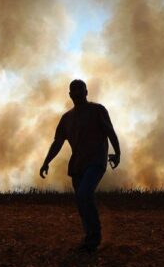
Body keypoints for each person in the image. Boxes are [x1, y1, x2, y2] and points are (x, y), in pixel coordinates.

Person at [40, 79, 121, 253]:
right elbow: (57, 142)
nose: (77, 93)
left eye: (80, 89)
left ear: (86, 92)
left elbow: (110, 131)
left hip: (96, 161)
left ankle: (94, 237)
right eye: (73, 90)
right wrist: (46, 161)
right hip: (77, 165)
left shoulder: (98, 110)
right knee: (82, 200)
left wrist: (117, 152)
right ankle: (90, 236)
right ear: (70, 94)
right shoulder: (67, 118)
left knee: (85, 194)